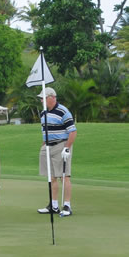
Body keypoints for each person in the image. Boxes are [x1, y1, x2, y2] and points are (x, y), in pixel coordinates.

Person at [36, 87, 77, 217]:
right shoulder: (43, 113)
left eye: (43, 98)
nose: (41, 100)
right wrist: (43, 146)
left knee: (64, 177)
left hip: (61, 145)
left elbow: (72, 131)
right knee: (51, 177)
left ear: (52, 97)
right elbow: (45, 132)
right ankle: (53, 205)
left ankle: (67, 206)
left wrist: (67, 147)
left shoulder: (63, 111)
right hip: (47, 146)